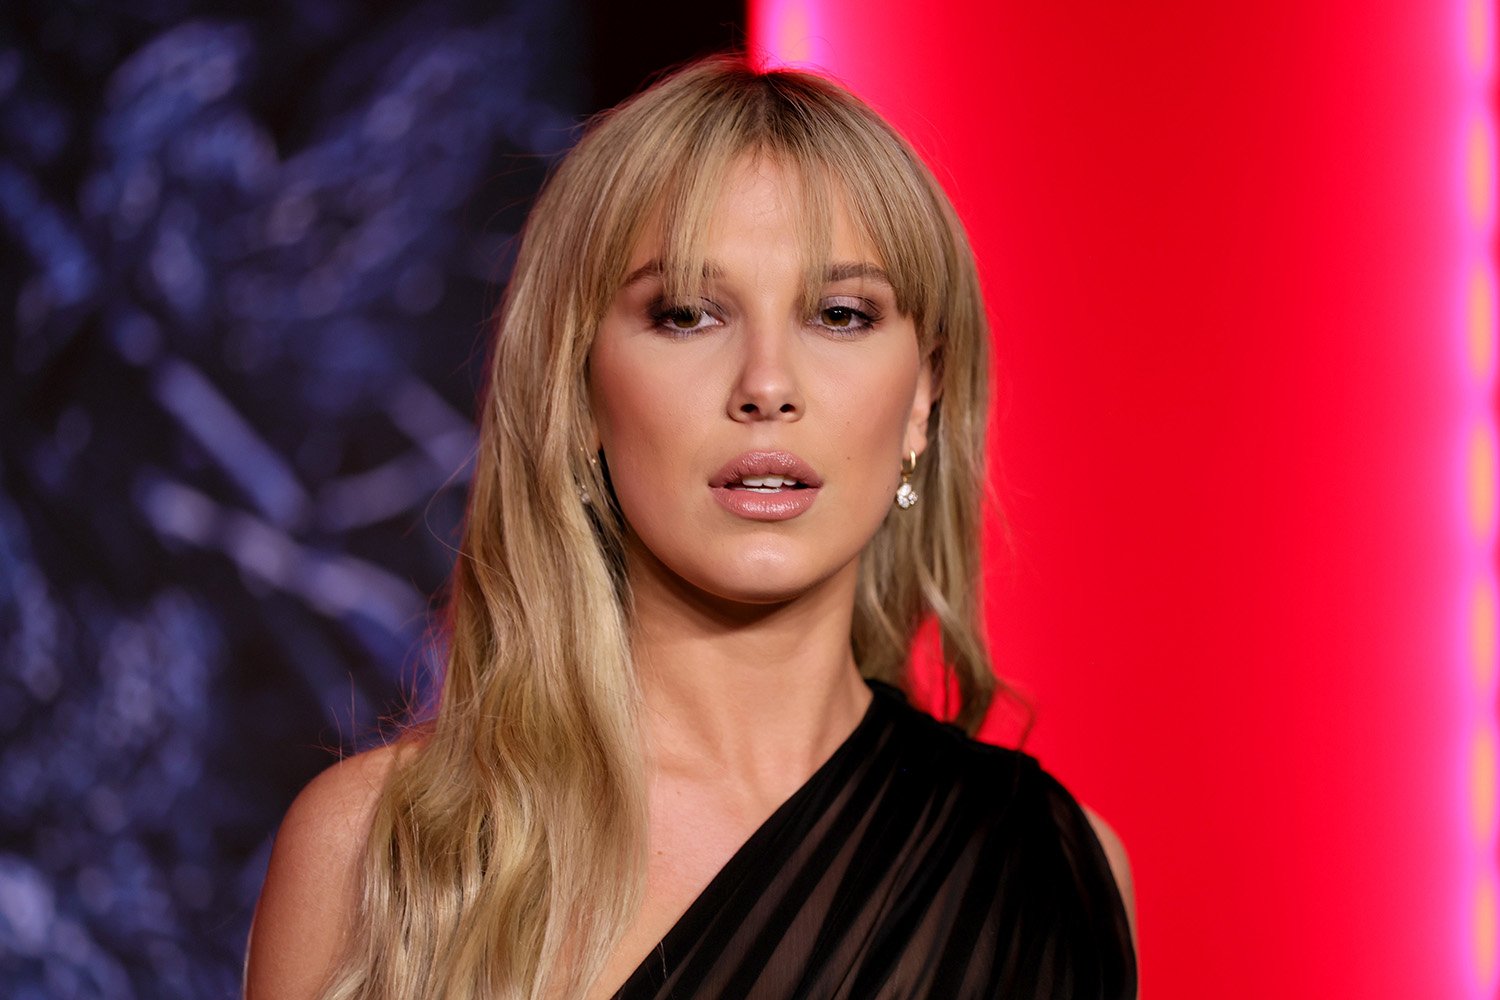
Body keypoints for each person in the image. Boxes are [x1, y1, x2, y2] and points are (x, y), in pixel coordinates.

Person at [244, 55, 1138, 1000]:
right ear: (578, 391)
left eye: (840, 315)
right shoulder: (379, 856)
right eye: (685, 315)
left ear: (923, 397)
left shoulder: (1054, 874)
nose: (767, 386)